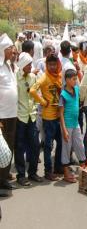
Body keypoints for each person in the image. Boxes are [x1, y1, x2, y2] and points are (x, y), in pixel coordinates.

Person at [30, 53, 63, 181]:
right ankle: (48, 171)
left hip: (58, 116)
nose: (53, 66)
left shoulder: (59, 76)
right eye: (50, 64)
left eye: (54, 64)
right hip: (48, 118)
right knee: (48, 146)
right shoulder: (44, 77)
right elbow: (33, 90)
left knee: (60, 142)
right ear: (46, 65)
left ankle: (58, 167)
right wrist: (43, 102)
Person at [15, 52, 43, 186]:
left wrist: (38, 106)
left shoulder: (33, 77)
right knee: (19, 147)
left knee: (35, 145)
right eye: (28, 64)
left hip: (32, 115)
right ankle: (21, 176)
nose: (31, 66)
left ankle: (32, 173)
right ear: (22, 65)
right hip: (20, 116)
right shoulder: (16, 78)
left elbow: (37, 93)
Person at [58, 69, 86, 183]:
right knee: (66, 148)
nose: (76, 81)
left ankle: (83, 169)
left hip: (76, 124)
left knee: (80, 145)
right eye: (74, 79)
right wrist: (64, 130)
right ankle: (66, 173)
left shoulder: (76, 89)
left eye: (76, 79)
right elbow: (60, 114)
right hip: (67, 126)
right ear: (67, 80)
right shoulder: (63, 94)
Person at [0, 34, 18, 191]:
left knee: (9, 145)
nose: (12, 51)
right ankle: (1, 182)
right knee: (2, 147)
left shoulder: (7, 66)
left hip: (12, 113)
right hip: (2, 115)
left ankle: (4, 174)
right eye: (9, 48)